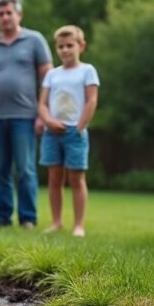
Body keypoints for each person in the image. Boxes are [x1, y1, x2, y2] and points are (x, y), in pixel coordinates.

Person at [0, 0, 53, 229]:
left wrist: (43, 113)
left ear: (19, 14)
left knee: (25, 169)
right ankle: (2, 217)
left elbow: (48, 79)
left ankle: (28, 218)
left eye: (9, 12)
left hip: (25, 116)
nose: (5, 17)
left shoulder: (34, 40)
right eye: (0, 14)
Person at [38, 25, 99, 237]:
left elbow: (91, 101)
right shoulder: (52, 75)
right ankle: (56, 222)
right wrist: (48, 120)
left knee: (76, 179)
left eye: (70, 46)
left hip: (75, 133)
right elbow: (43, 104)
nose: (65, 50)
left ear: (81, 46)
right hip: (51, 133)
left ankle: (78, 225)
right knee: (55, 179)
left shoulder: (87, 71)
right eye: (61, 46)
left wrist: (80, 127)